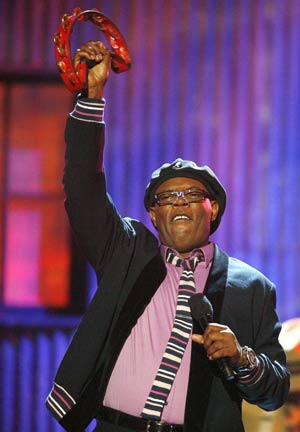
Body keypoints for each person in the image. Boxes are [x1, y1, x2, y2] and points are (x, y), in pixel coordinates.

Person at [46, 41, 290, 432]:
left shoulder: (252, 288)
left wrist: (242, 358)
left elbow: (275, 391)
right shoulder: (127, 253)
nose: (178, 202)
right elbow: (82, 188)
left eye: (192, 195)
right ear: (154, 215)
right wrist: (91, 96)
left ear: (214, 210)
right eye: (166, 197)